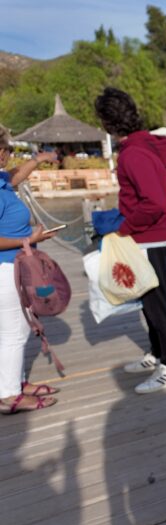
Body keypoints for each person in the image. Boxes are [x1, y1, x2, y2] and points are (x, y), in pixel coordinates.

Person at [93, 87, 166, 394]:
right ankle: (157, 354)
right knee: (147, 299)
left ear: (107, 122)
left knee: (158, 303)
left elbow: (156, 202)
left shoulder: (133, 154)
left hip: (150, 239)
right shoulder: (147, 146)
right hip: (156, 235)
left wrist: (125, 228)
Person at [0, 130, 61, 413]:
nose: (10, 155)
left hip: (14, 266)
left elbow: (15, 176)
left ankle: (15, 383)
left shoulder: (2, 181)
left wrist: (38, 159)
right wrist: (29, 240)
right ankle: (8, 395)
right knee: (14, 332)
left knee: (16, 328)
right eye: (7, 150)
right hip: (5, 269)